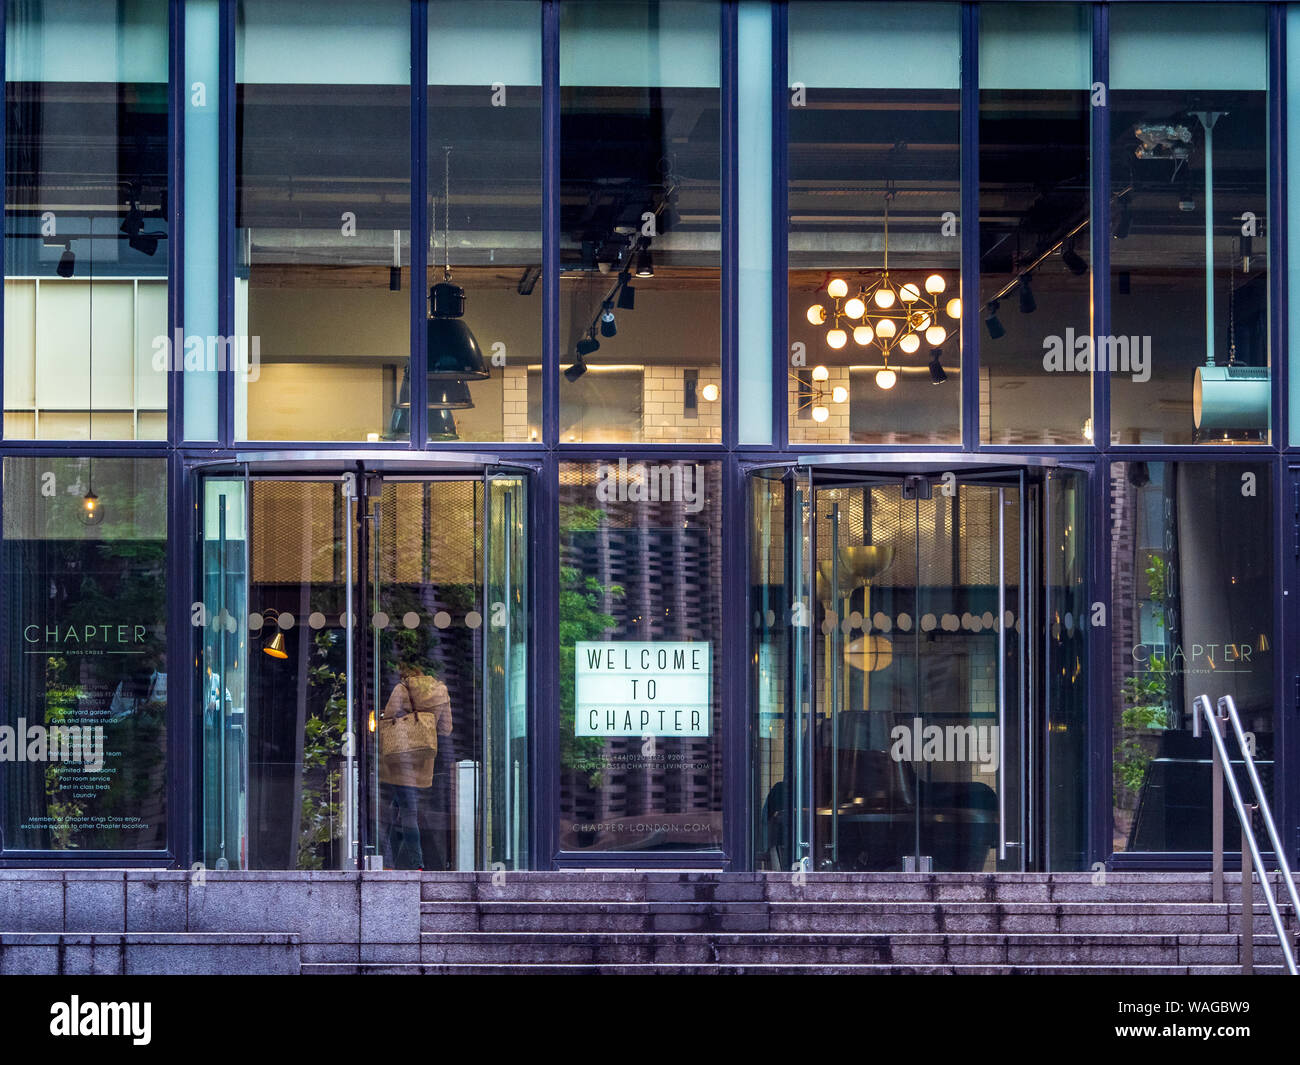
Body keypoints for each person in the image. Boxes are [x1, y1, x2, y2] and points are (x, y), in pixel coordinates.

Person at [377, 660, 453, 870]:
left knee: (407, 811)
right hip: (424, 762)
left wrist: (406, 719)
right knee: (398, 808)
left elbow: (389, 718)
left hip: (400, 760)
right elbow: (446, 729)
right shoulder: (441, 691)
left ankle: (416, 863)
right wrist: (426, 725)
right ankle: (388, 862)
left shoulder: (402, 689)